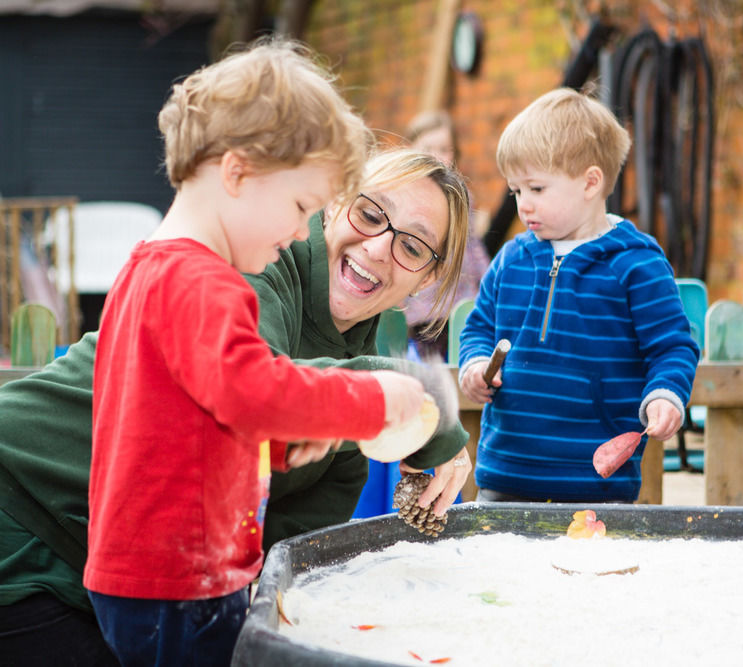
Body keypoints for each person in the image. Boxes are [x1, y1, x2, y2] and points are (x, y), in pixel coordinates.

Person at [0, 147, 472, 666]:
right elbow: (259, 390)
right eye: (370, 212)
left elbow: (288, 551)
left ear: (427, 278)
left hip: (120, 582)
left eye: (412, 245)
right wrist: (422, 404)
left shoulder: (357, 361)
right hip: (23, 509)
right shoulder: (250, 264)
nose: (380, 246)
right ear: (336, 204)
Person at [457, 88, 700, 503]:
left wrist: (666, 394)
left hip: (595, 483)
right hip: (504, 473)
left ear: (590, 183)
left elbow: (672, 347)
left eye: (536, 188)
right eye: (516, 191)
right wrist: (476, 364)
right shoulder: (511, 259)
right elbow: (478, 326)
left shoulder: (636, 264)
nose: (523, 206)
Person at [402, 110, 490, 361]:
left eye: (445, 149)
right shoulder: (404, 195)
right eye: (429, 147)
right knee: (429, 371)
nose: (438, 156)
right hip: (422, 307)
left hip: (460, 305)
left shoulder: (462, 196)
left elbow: (473, 248)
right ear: (411, 149)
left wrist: (488, 287)